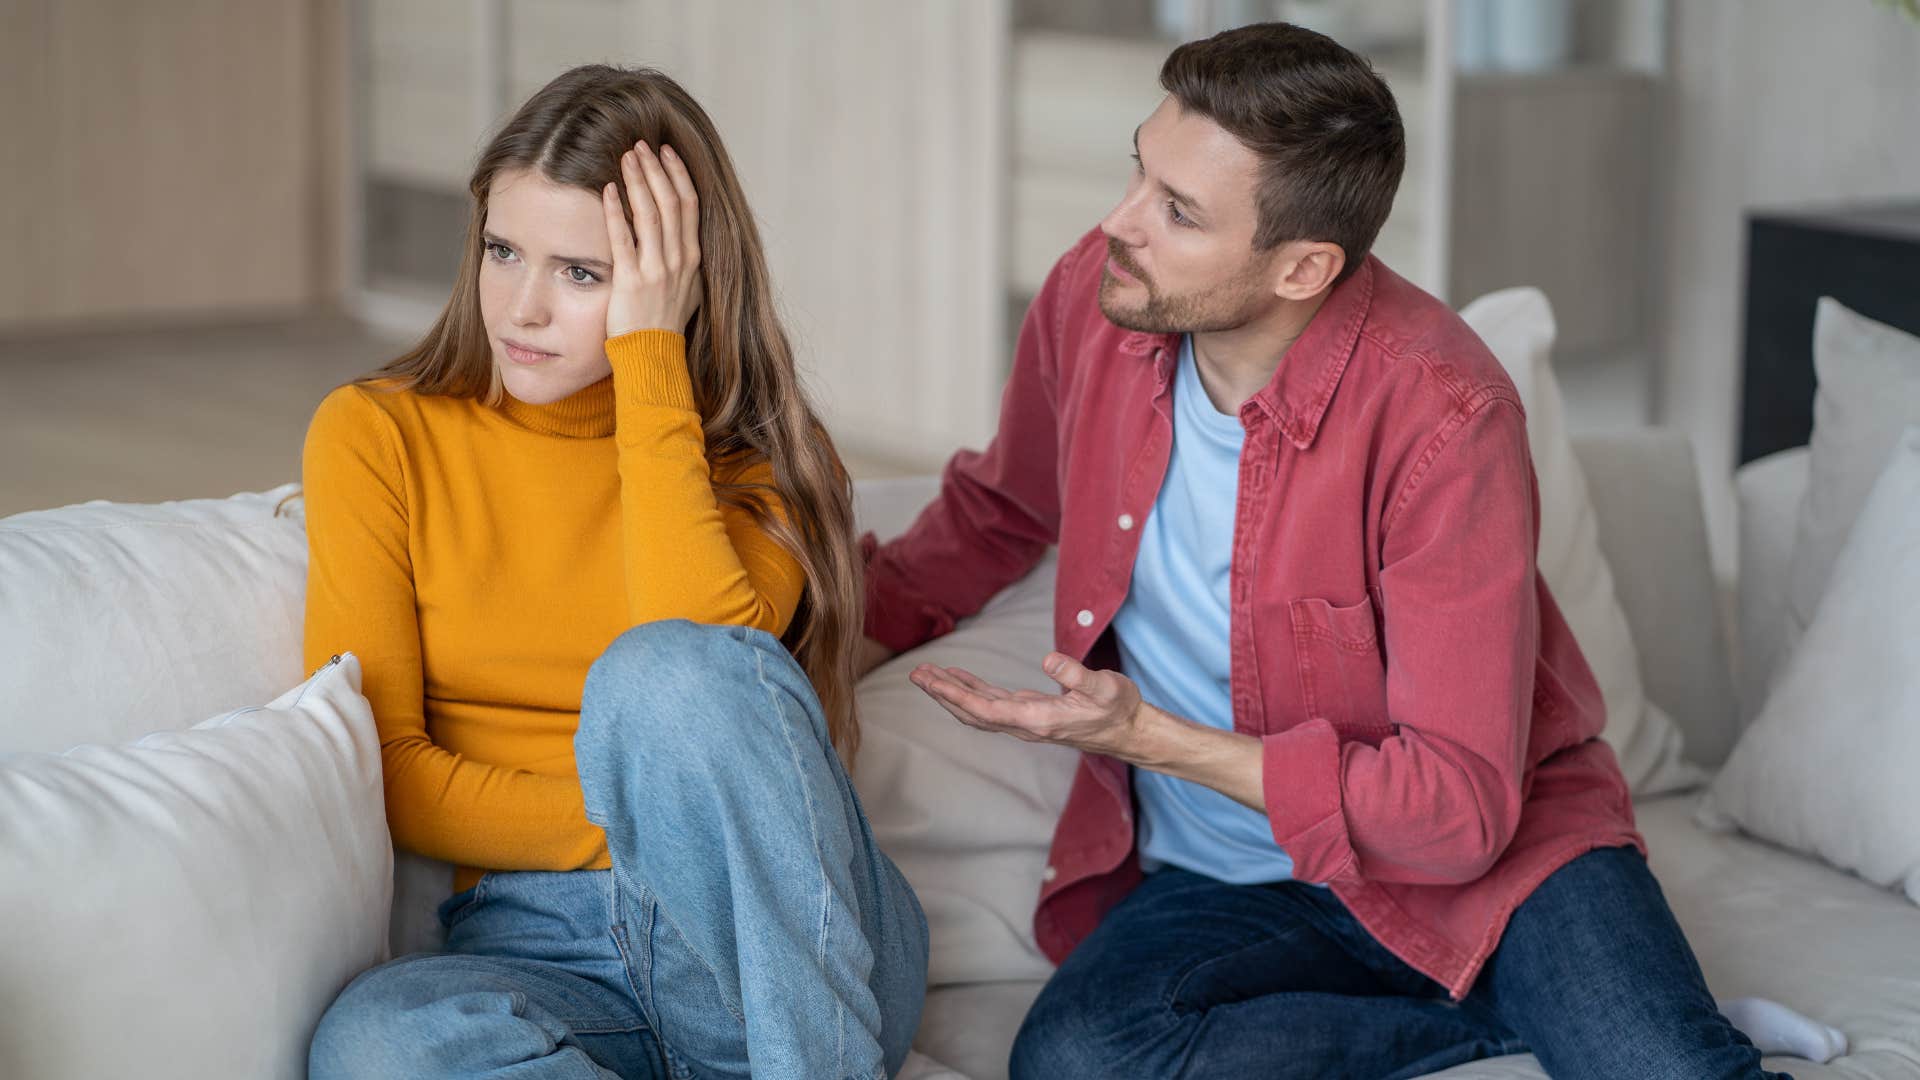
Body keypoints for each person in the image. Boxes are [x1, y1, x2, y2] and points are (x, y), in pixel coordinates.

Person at [858, 22, 1789, 1080]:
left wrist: (1153, 740)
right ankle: (1508, 1024)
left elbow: (1458, 816)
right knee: (1079, 1060)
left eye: (1177, 211)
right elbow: (994, 514)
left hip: (1498, 866)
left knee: (1668, 1070)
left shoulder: (1446, 412)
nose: (1120, 224)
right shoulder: (1098, 297)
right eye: (1139, 170)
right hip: (1229, 884)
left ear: (1305, 266)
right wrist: (810, 643)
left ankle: (1587, 1015)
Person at [302, 64, 926, 1080]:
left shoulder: (765, 460)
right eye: (504, 252)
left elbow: (701, 658)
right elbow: (395, 774)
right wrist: (663, 821)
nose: (524, 308)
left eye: (583, 275)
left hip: (776, 955)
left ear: (676, 286)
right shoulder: (376, 435)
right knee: (376, 1044)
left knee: (662, 673)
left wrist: (648, 361)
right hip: (536, 944)